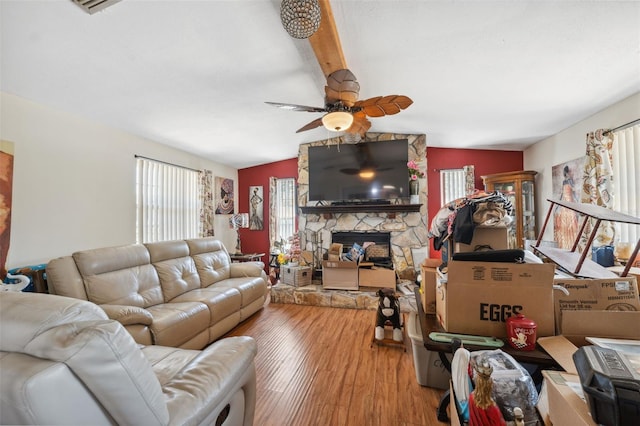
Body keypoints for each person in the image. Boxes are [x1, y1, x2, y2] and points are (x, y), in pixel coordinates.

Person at [554, 165, 580, 249]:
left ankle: (569, 244)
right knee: (568, 222)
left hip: (566, 202)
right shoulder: (569, 181)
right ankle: (570, 243)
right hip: (567, 202)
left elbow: (563, 194)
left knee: (569, 222)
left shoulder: (565, 182)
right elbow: (573, 193)